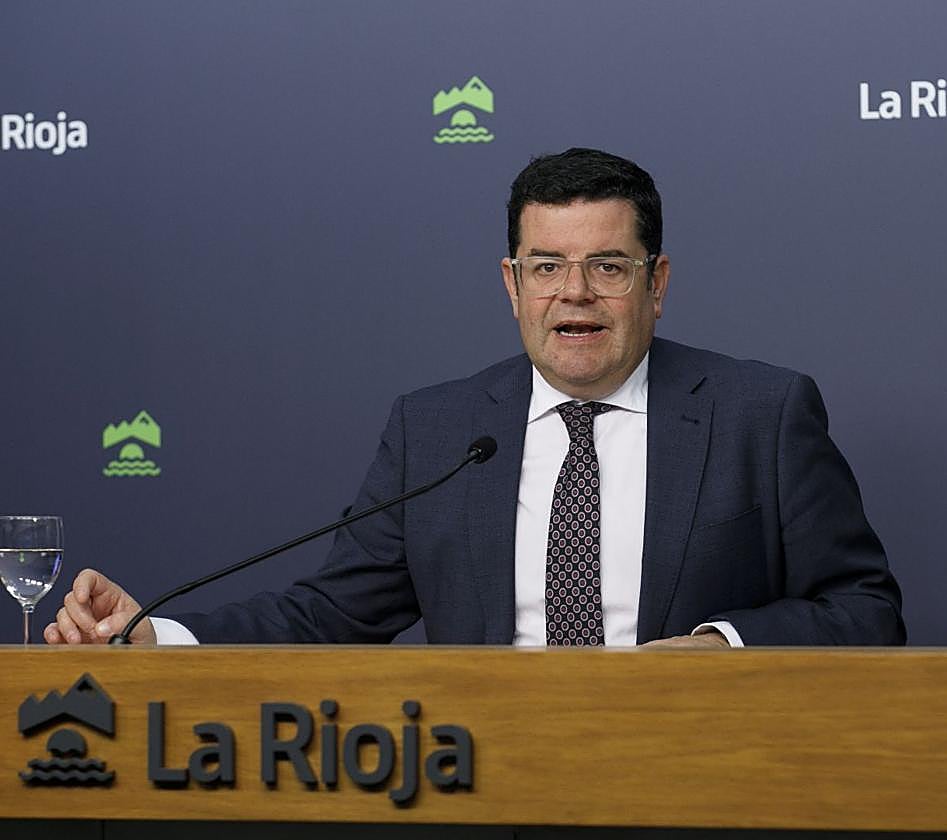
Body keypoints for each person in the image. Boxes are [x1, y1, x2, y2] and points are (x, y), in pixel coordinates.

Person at [46, 148, 904, 648]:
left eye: (607, 266)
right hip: (485, 782)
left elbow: (864, 608)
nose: (575, 293)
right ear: (511, 282)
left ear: (656, 282)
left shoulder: (763, 412)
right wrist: (152, 634)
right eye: (546, 267)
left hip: (696, 774)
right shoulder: (440, 428)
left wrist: (724, 646)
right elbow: (331, 611)